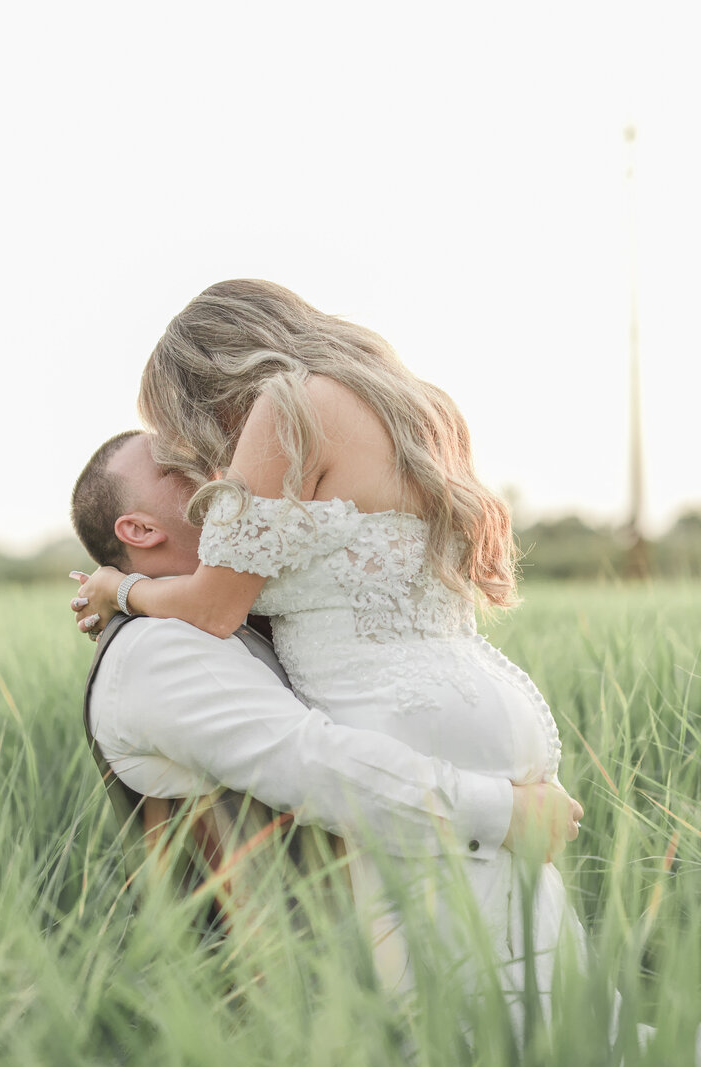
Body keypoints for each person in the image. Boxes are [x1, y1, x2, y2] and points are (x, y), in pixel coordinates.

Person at [71, 282, 584, 1022]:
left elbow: (217, 607)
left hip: (407, 734)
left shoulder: (287, 411)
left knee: (475, 1034)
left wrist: (120, 590)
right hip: (487, 709)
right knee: (555, 1012)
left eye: (192, 438)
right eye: (184, 470)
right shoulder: (411, 403)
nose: (219, 471)